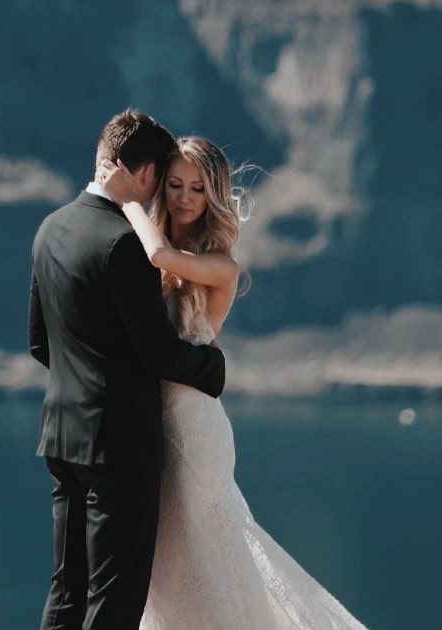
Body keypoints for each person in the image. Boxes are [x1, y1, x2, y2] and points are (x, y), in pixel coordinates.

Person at [98, 135, 369, 630]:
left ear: (213, 197)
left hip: (195, 434)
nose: (183, 197)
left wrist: (126, 200)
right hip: (150, 431)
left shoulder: (219, 266)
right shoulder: (139, 246)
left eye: (197, 189)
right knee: (166, 569)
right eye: (175, 184)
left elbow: (160, 255)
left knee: (208, 561)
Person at [28, 109, 227, 630]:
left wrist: (86, 378)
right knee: (114, 601)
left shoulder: (50, 229)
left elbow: (38, 343)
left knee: (67, 589)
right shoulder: (124, 244)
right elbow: (158, 354)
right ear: (142, 176)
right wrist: (212, 369)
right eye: (163, 180)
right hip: (119, 449)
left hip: (61, 438)